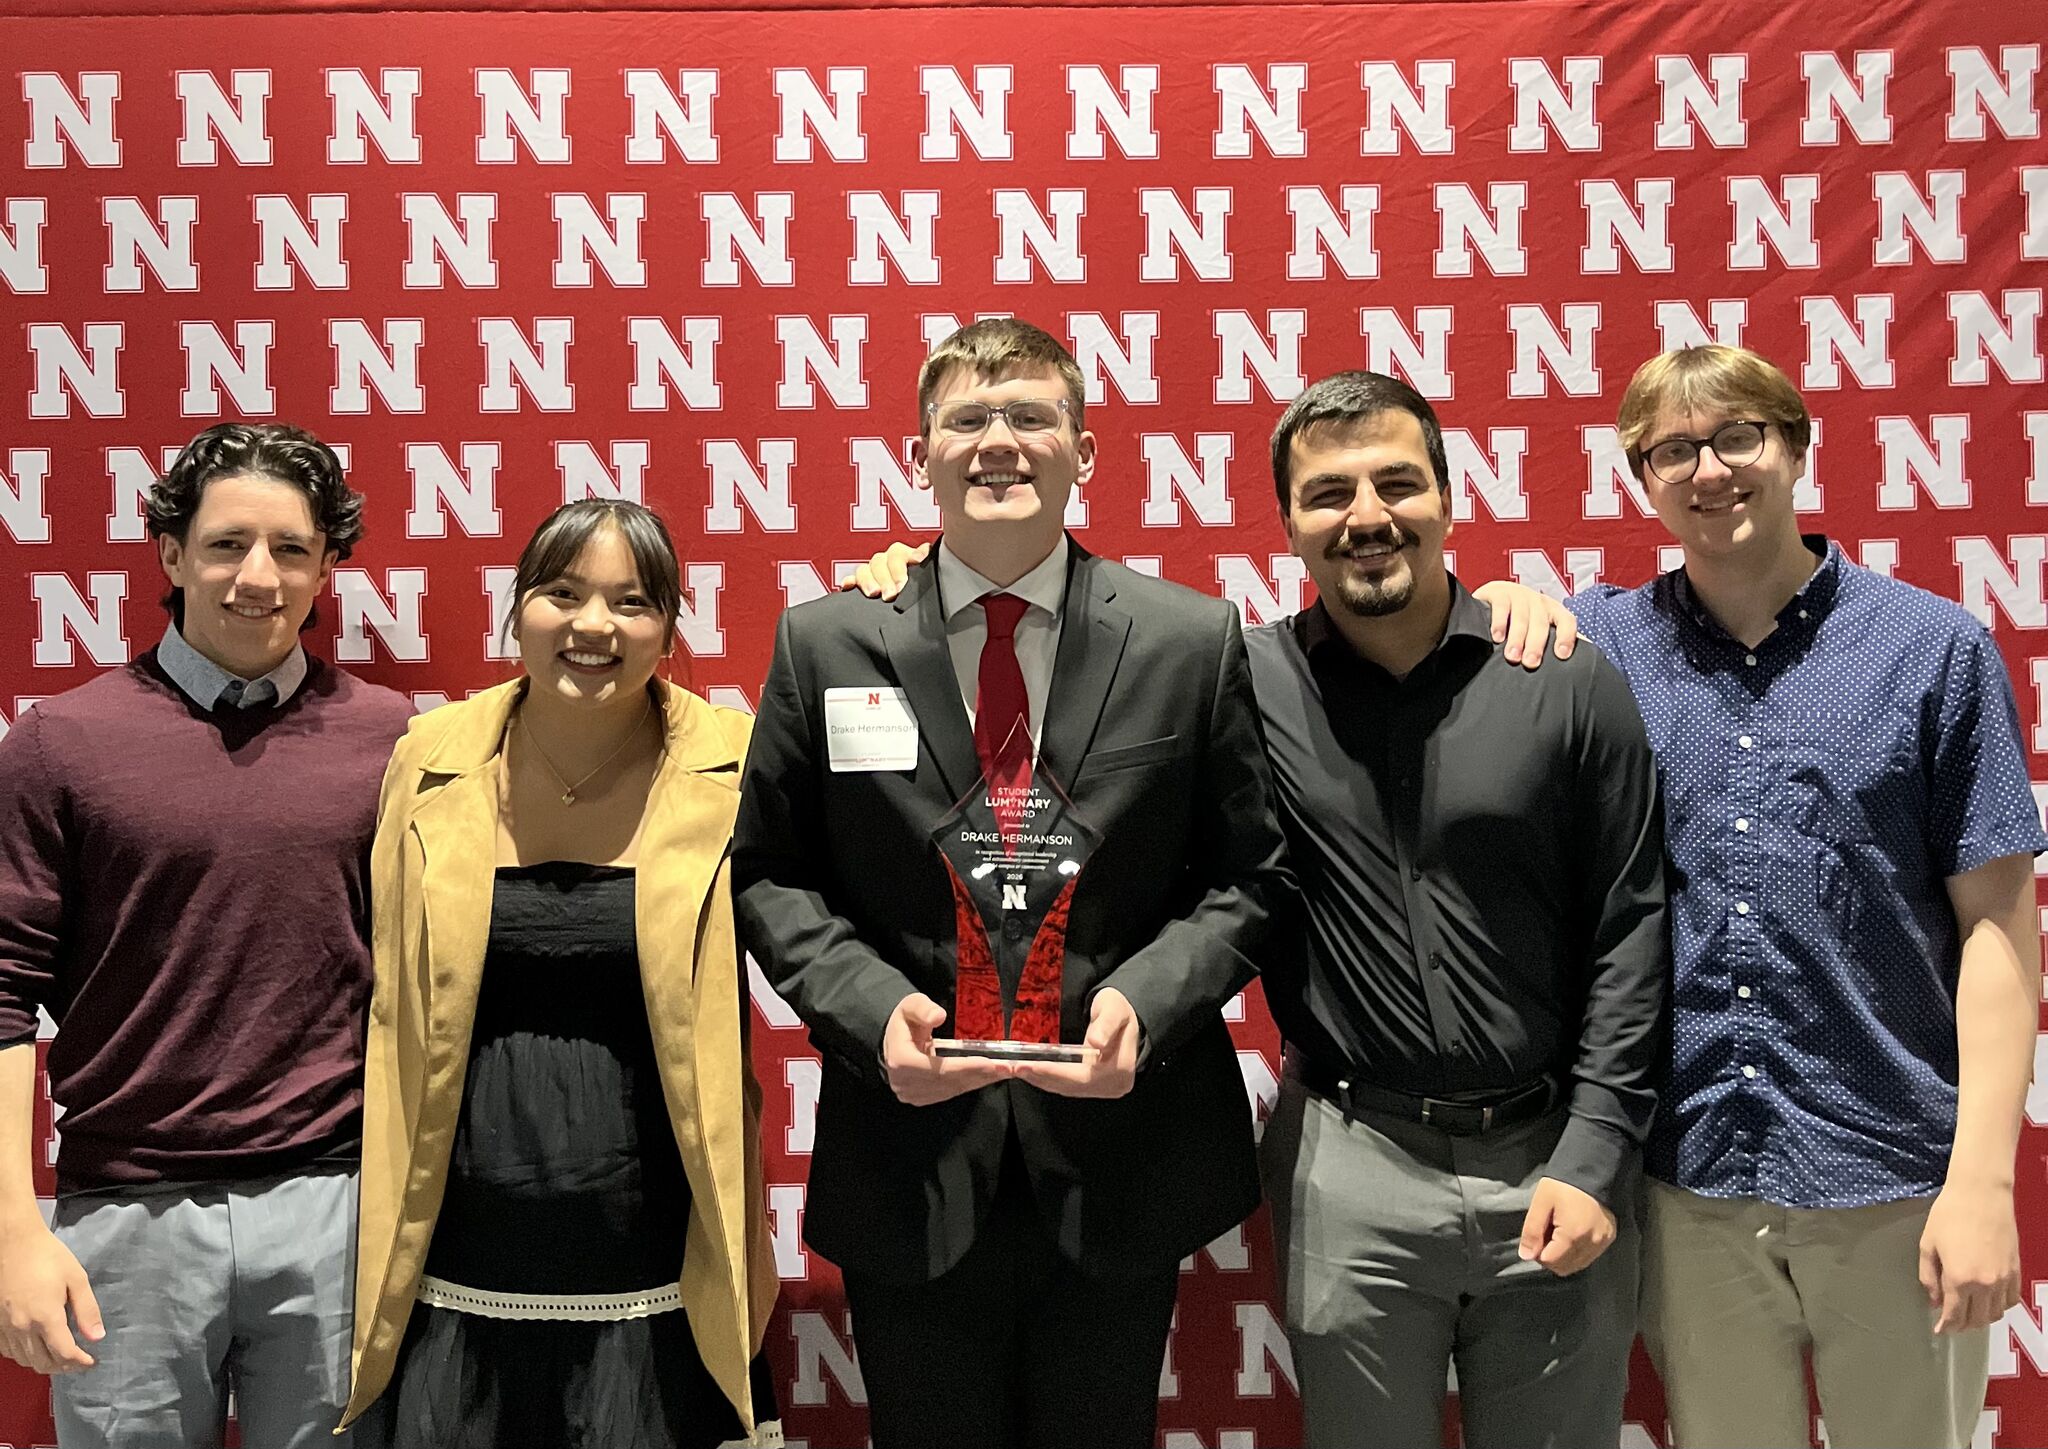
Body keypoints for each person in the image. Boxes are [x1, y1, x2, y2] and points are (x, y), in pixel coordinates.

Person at [731, 318, 1291, 1449]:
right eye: (967, 419)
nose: (999, 442)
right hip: (907, 1156)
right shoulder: (824, 642)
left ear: (1084, 452)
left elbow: (1248, 876)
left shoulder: (1189, 641)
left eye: (1031, 416)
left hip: (1117, 1157)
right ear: (917, 453)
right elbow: (772, 875)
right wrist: (869, 1010)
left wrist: (1150, 1000)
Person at [1569, 345, 2044, 1449]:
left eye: (1736, 436)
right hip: (1687, 1188)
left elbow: (1997, 932)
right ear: (1642, 479)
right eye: (1672, 450)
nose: (1708, 470)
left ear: (1792, 446)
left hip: (1891, 1182)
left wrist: (1982, 1184)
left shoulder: (1931, 653)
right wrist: (1496, 595)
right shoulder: (1600, 649)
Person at [1234, 372, 1667, 1447]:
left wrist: (1593, 1153)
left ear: (1445, 500)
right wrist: (919, 570)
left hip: (1552, 1153)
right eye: (1328, 493)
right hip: (1347, 1164)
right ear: (1286, 522)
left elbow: (1630, 928)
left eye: (1396, 483)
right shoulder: (1242, 688)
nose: (1366, 516)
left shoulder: (1560, 676)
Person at [0, 423, 414, 1447]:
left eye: (291, 548)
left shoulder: (400, 742)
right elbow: (2, 994)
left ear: (326, 566)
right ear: (172, 553)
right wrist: (14, 1229)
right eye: (227, 544)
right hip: (123, 1221)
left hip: (339, 1211)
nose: (257, 577)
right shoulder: (62, 741)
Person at [340, 499, 778, 1449]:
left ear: (669, 625)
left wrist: (908, 576)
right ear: (517, 611)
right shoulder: (428, 759)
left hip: (656, 1262)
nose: (593, 626)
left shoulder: (736, 766)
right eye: (563, 592)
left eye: (631, 601)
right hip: (455, 1257)